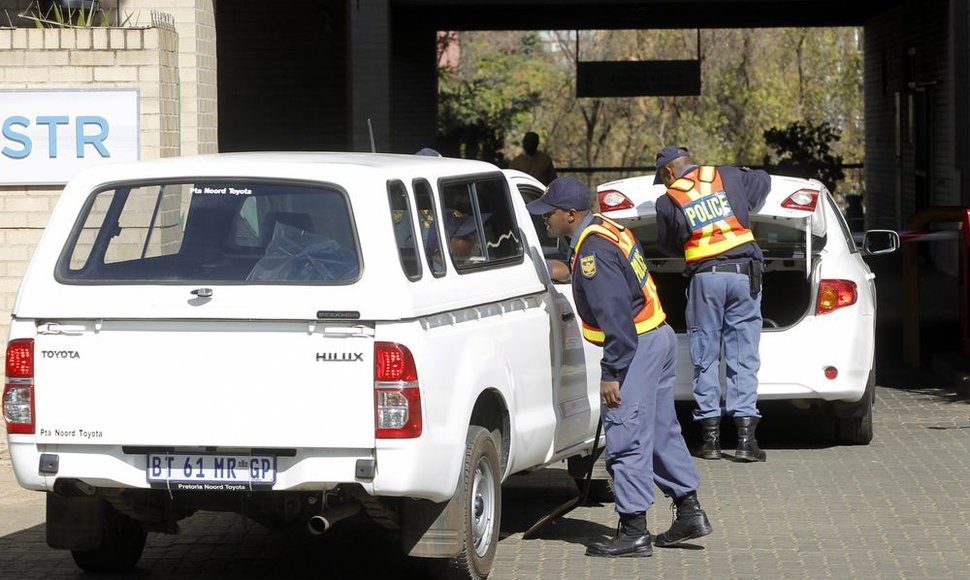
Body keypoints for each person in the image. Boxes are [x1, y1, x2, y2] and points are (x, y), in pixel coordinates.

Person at [527, 176, 712, 557]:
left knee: (625, 433)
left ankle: (633, 530)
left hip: (633, 348)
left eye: (550, 214)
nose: (545, 220)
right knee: (660, 429)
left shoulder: (593, 252)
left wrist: (611, 372)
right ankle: (689, 510)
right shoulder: (604, 230)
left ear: (571, 214)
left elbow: (616, 317)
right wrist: (568, 271)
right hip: (656, 337)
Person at [653, 145, 771, 463]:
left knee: (705, 355)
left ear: (668, 172)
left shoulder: (667, 200)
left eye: (661, 179)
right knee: (743, 356)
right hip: (745, 275)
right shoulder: (728, 174)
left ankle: (711, 442)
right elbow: (762, 180)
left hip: (706, 279)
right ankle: (746, 441)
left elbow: (667, 244)